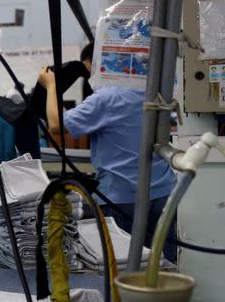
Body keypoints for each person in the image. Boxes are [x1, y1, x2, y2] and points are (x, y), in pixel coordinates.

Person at [37, 67, 177, 259]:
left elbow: (55, 124)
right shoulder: (155, 93)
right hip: (164, 192)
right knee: (165, 267)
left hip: (121, 198)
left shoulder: (107, 98)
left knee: (120, 268)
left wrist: (51, 85)